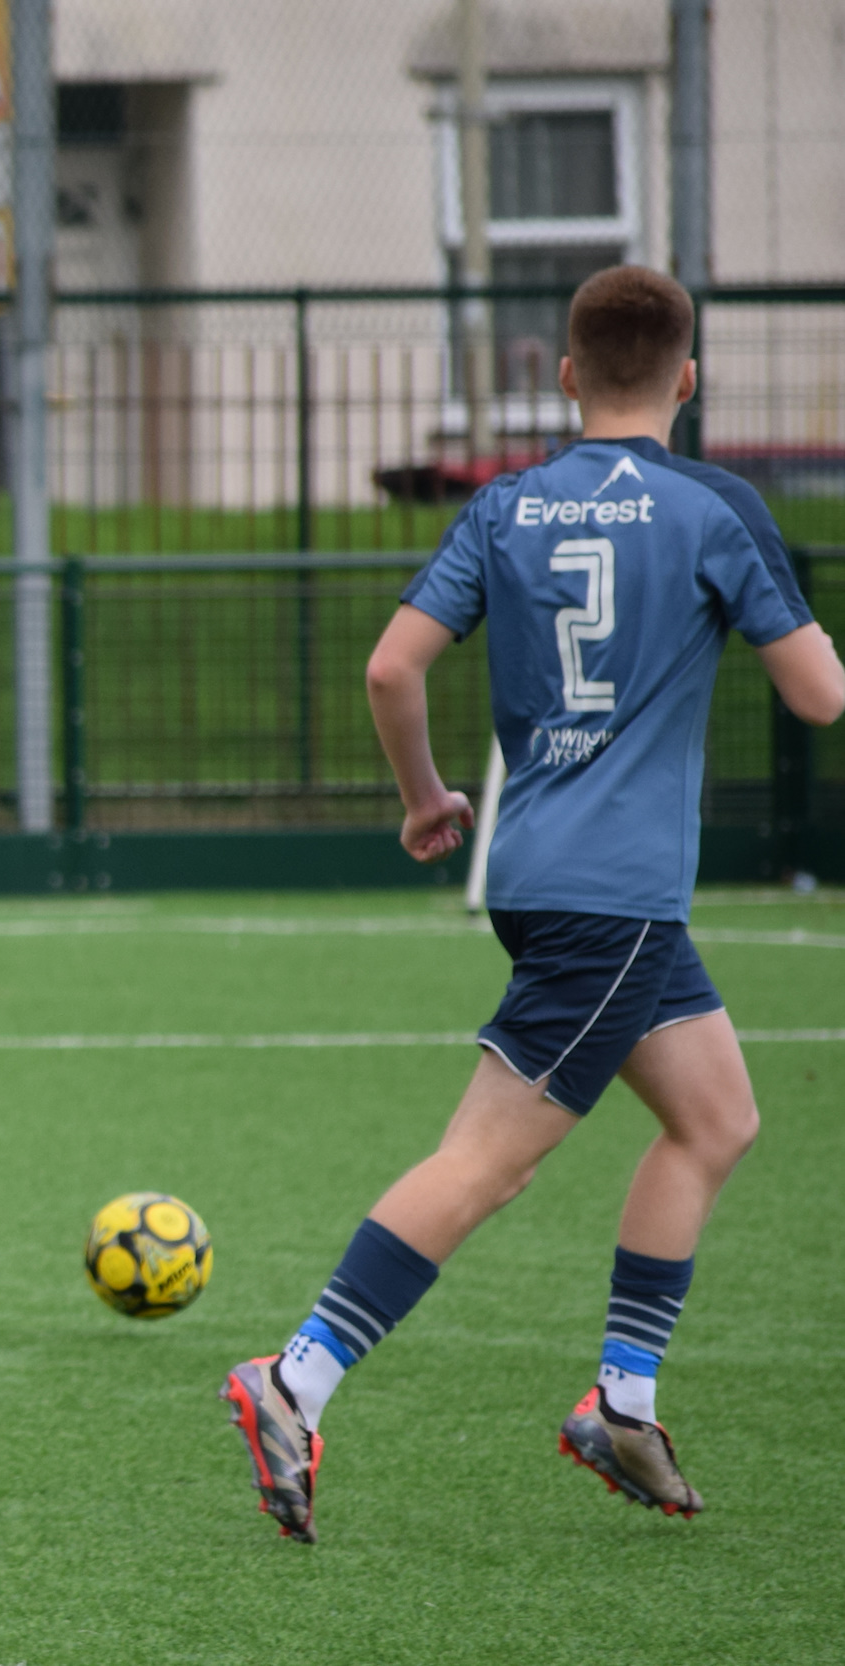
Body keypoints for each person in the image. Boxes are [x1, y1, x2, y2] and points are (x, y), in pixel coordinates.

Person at [221, 266, 843, 1543]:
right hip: (613, 900)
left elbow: (393, 666)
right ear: (685, 379)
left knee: (716, 1117)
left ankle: (621, 1399)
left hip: (544, 875)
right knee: (486, 1163)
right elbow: (819, 697)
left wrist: (421, 797)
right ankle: (294, 1377)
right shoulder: (713, 506)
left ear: (565, 377)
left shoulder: (506, 503)